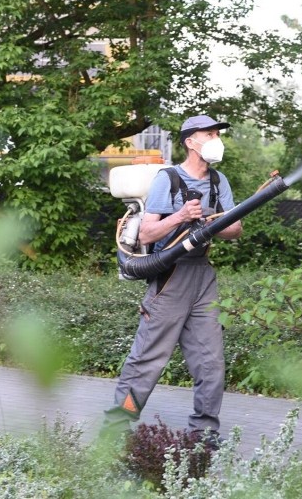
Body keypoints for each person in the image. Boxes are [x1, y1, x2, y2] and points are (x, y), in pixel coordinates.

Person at [103, 114, 242, 444]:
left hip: (202, 275)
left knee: (211, 363)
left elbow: (235, 229)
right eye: (209, 134)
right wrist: (181, 216)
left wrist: (209, 218)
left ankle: (204, 434)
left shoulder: (218, 181)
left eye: (216, 134)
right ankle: (116, 428)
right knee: (147, 360)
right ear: (191, 142)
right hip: (171, 275)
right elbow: (149, 231)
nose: (215, 139)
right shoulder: (168, 179)